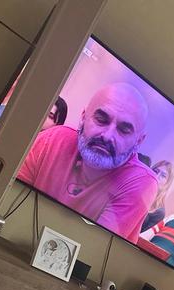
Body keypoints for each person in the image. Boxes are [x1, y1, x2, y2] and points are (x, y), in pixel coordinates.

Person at [18, 82, 159, 243]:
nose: (107, 136)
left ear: (138, 141)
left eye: (123, 130)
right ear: (83, 117)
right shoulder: (53, 139)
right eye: (101, 119)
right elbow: (11, 202)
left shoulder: (141, 182)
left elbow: (90, 247)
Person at [141, 160, 174, 233]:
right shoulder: (136, 187)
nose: (157, 176)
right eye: (156, 171)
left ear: (167, 183)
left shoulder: (159, 212)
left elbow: (142, 236)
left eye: (163, 176)